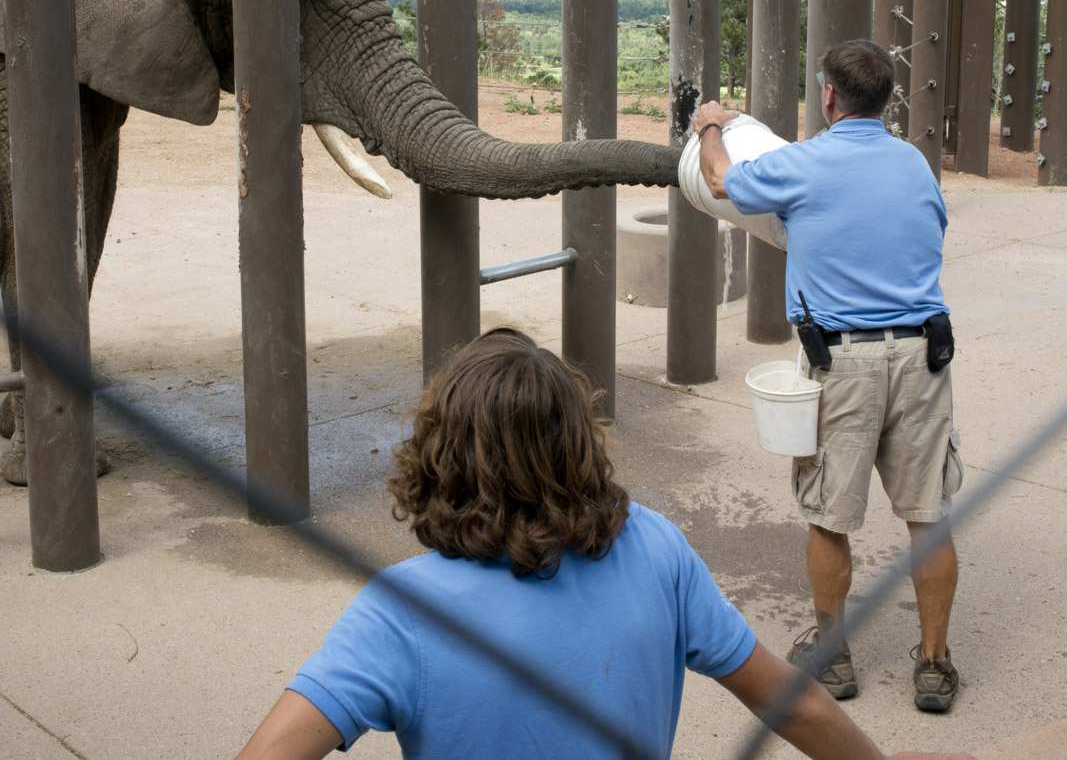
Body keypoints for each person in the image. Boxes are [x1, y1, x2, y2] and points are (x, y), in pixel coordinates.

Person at [236, 327, 974, 759]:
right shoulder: (653, 548)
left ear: (437, 453)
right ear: (577, 440)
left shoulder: (400, 611)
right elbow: (792, 701)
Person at [692, 39, 962, 713]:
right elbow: (930, 228)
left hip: (844, 361)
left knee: (828, 516)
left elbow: (721, 180)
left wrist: (709, 124)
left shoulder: (803, 163)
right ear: (887, 99)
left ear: (829, 97)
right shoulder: (914, 166)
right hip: (924, 356)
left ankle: (833, 654)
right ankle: (933, 664)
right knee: (927, 517)